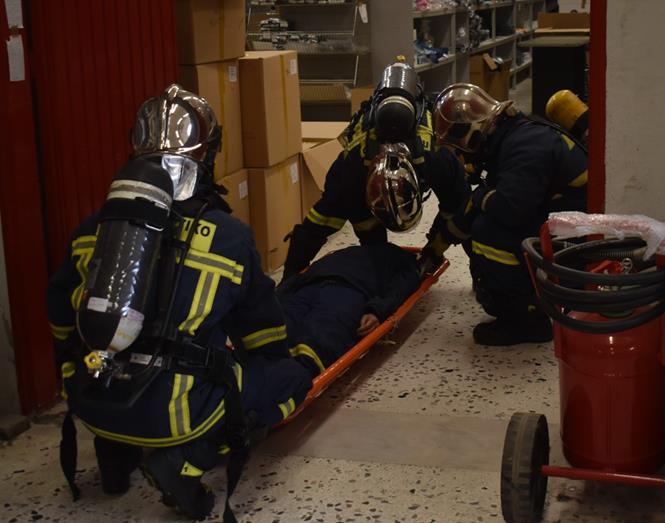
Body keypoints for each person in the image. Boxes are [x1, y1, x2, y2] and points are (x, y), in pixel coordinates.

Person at [47, 85, 312, 521]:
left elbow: (61, 310)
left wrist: (68, 365)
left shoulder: (96, 228)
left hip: (90, 398)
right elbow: (262, 330)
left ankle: (113, 454)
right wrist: (266, 364)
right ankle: (185, 460)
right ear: (207, 156)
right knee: (290, 378)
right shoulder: (229, 237)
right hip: (174, 416)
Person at [282, 60, 469, 281]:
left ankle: (483, 280)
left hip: (417, 165)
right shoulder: (351, 170)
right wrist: (291, 274)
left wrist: (434, 250)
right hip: (358, 179)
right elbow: (319, 222)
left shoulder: (436, 160)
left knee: (468, 219)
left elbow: (459, 208)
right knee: (370, 242)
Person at [433, 83, 588, 346]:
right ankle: (518, 296)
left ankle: (526, 322)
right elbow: (479, 204)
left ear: (471, 132)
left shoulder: (525, 146)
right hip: (565, 222)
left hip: (576, 242)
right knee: (481, 216)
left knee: (487, 231)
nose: (464, 157)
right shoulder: (515, 135)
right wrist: (437, 246)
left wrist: (480, 197)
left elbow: (510, 209)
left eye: (460, 147)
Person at [277, 243, 422, 378]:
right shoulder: (404, 263)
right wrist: (377, 310)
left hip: (312, 286)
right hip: (346, 290)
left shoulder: (346, 251)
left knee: (279, 329)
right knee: (321, 337)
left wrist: (277, 296)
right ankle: (292, 376)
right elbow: (399, 290)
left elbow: (297, 278)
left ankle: (277, 371)